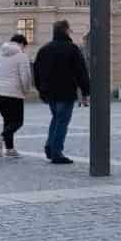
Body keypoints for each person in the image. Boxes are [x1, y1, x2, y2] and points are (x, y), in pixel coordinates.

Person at [33, 20, 90, 165]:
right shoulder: (72, 49)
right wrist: (85, 92)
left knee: (56, 118)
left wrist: (41, 90)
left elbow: (36, 73)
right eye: (69, 30)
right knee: (62, 121)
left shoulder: (44, 49)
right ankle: (56, 151)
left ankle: (49, 146)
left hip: (49, 92)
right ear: (66, 31)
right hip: (65, 91)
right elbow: (81, 72)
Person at [0, 34, 34, 158]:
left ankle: (10, 149)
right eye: (24, 47)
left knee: (8, 121)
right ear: (22, 44)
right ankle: (0, 138)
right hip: (13, 93)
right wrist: (26, 91)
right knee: (18, 121)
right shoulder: (21, 56)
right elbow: (25, 76)